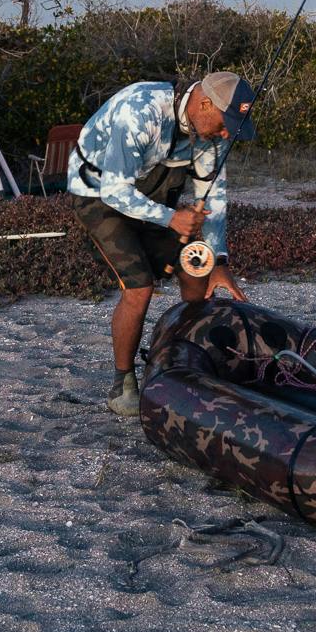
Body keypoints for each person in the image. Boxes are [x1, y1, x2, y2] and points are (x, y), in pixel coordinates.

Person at [68, 71, 254, 415]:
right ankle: (122, 383)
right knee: (139, 287)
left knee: (196, 261)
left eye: (234, 126)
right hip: (96, 193)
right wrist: (171, 218)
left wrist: (220, 261)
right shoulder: (140, 111)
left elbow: (213, 199)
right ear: (204, 103)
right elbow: (114, 191)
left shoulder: (212, 131)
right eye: (225, 123)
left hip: (152, 191)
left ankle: (189, 361)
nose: (228, 133)